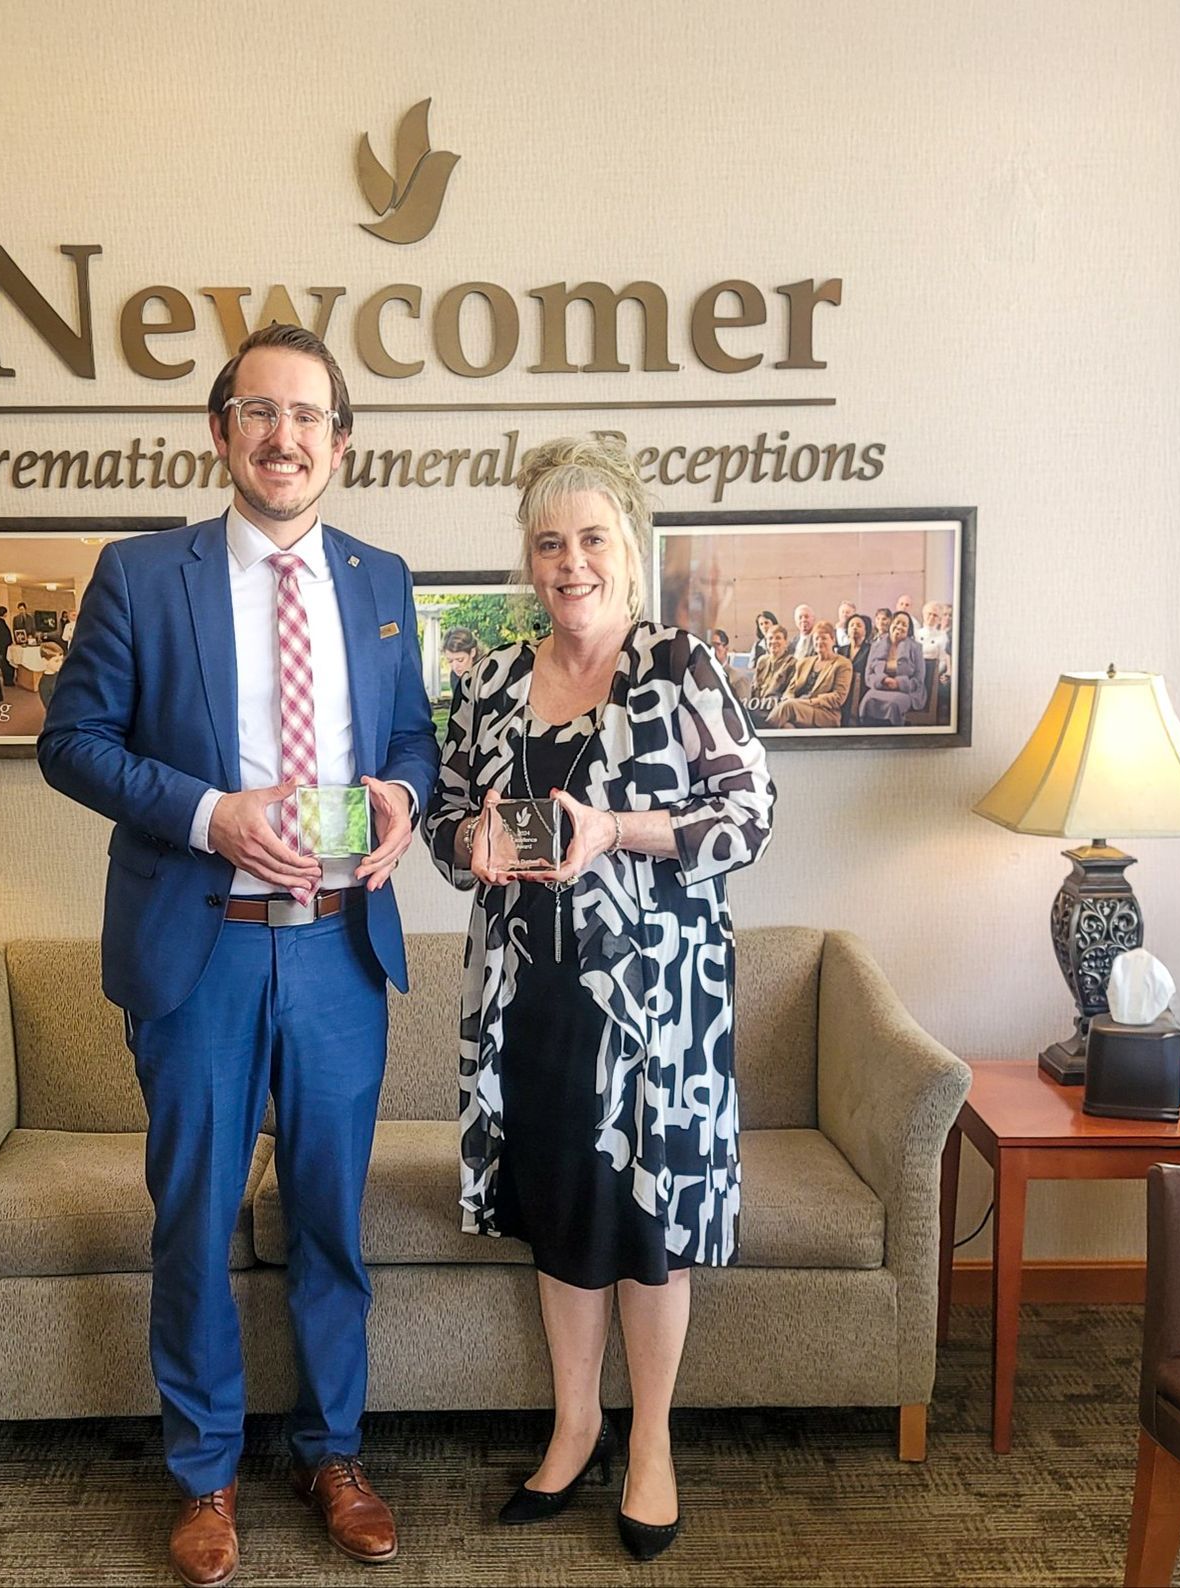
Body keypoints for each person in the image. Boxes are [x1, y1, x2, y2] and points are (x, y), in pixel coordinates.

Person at [39, 323, 438, 1588]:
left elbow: (417, 738)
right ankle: (205, 1475)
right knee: (194, 1221)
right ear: (220, 433)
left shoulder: (379, 580)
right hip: (197, 950)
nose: (284, 437)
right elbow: (72, 742)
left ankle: (334, 1455)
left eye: (309, 416)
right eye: (258, 412)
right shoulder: (140, 573)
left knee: (330, 1222)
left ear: (340, 442)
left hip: (337, 955)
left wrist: (403, 803)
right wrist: (213, 815)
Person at [424, 435, 774, 1563]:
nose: (568, 561)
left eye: (589, 538)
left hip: (656, 1009)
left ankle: (653, 1444)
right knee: (564, 1219)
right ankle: (574, 1427)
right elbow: (438, 820)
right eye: (547, 542)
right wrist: (469, 838)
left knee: (644, 1229)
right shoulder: (487, 682)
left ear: (629, 547)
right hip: (529, 1001)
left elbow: (749, 816)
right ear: (528, 562)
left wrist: (615, 829)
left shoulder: (682, 668)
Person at [768, 620, 852, 729]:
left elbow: (838, 697)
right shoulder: (804, 663)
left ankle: (761, 733)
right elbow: (790, 689)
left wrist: (809, 702)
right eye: (816, 638)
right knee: (786, 727)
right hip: (799, 708)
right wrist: (789, 697)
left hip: (824, 713)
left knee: (788, 707)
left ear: (833, 640)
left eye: (823, 638)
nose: (819, 642)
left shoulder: (842, 664)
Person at [859, 610, 928, 724]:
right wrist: (883, 680)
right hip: (881, 687)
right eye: (897, 622)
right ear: (891, 624)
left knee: (893, 704)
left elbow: (919, 679)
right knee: (867, 701)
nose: (899, 627)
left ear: (909, 630)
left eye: (904, 624)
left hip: (906, 692)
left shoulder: (916, 648)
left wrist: (898, 683)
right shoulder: (876, 646)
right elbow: (868, 675)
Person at [749, 623, 797, 716]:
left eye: (778, 638)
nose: (773, 641)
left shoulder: (792, 663)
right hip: (756, 706)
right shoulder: (762, 661)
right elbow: (754, 688)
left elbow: (788, 692)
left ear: (786, 642)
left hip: (775, 709)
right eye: (770, 638)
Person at [840, 612, 874, 725]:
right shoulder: (841, 651)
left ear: (866, 631)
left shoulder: (871, 650)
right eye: (852, 625)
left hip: (862, 688)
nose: (855, 628)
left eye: (859, 625)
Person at [442, 626, 480, 708]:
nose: (455, 667)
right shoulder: (454, 675)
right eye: (450, 661)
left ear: (472, 652)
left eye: (460, 660)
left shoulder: (488, 673)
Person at [711, 627, 748, 697]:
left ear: (726, 648)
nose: (711, 649)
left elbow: (742, 706)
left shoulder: (738, 680)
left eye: (716, 645)